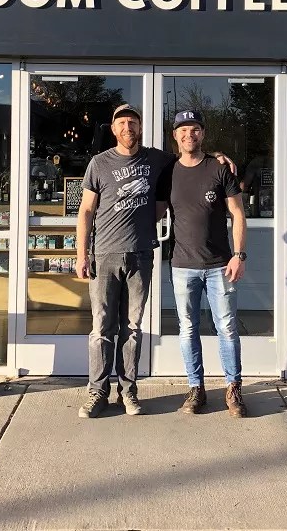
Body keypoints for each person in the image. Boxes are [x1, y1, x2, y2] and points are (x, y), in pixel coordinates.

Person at [76, 103, 172, 418]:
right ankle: (97, 393)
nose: (127, 127)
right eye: (122, 123)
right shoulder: (99, 163)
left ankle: (128, 393)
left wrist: (220, 158)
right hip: (104, 255)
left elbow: (191, 160)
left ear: (140, 127)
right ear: (113, 129)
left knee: (132, 327)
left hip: (141, 255)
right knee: (102, 328)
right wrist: (81, 254)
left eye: (133, 122)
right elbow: (86, 211)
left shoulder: (157, 159)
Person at [166, 110, 249, 418]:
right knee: (187, 328)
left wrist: (239, 255)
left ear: (203, 133)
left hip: (219, 266)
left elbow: (238, 214)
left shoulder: (219, 168)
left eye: (195, 129)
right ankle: (196, 387)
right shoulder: (168, 170)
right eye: (183, 130)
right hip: (182, 265)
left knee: (226, 328)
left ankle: (233, 388)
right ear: (175, 135)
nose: (189, 134)